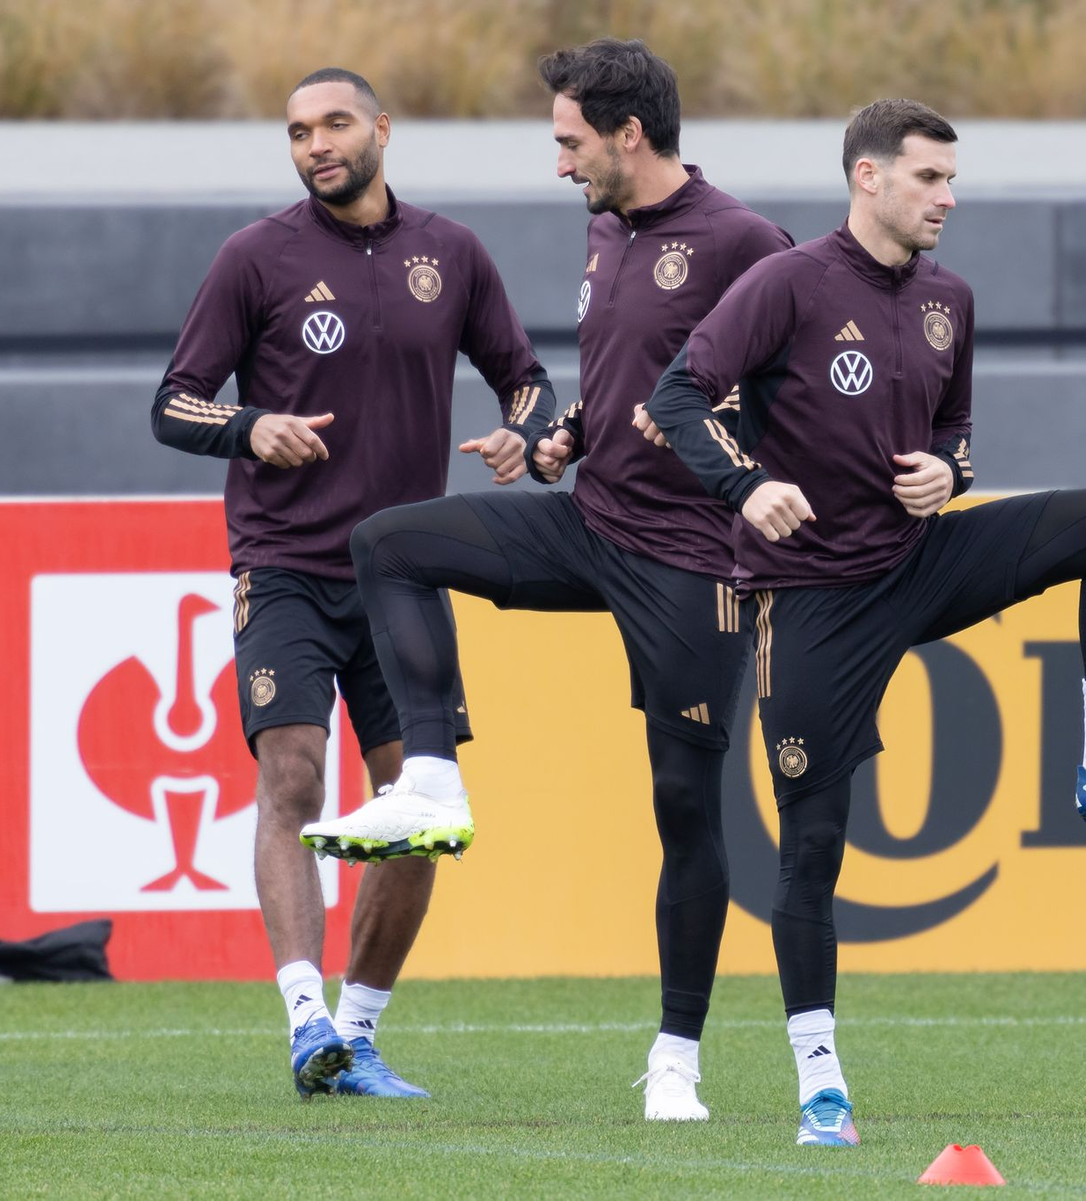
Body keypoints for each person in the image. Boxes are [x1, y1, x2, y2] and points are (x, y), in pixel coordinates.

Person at [642, 97, 1086, 1147]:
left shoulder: (950, 297)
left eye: (952, 178)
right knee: (813, 846)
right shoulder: (786, 283)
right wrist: (746, 486)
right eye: (929, 178)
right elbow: (677, 399)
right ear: (868, 177)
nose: (948, 197)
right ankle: (821, 1084)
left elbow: (959, 435)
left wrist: (951, 472)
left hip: (918, 561)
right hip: (810, 595)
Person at [299, 39, 792, 1120]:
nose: (559, 164)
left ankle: (676, 1057)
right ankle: (432, 776)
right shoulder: (606, 229)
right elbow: (624, 378)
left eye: (570, 141)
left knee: (683, 805)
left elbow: (777, 399)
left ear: (628, 134)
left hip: (692, 560)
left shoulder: (748, 242)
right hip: (590, 524)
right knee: (392, 542)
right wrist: (564, 434)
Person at [151, 67, 555, 1100]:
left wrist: (527, 433)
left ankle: (358, 1034)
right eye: (297, 131)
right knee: (290, 776)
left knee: (421, 810)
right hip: (283, 566)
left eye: (333, 124)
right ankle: (304, 1021)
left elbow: (530, 376)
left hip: (403, 577)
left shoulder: (451, 253)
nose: (315, 144)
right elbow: (176, 403)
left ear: (381, 128)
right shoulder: (256, 259)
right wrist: (252, 427)